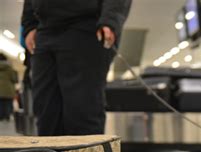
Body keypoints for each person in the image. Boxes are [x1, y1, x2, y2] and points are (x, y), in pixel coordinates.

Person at [21, 0, 132, 136]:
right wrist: (29, 25)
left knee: (82, 109)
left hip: (87, 26)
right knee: (46, 110)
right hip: (45, 29)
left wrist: (111, 20)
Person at [0, 53, 18, 122]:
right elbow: (14, 78)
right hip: (8, 89)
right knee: (8, 104)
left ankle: (1, 117)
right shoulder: (9, 68)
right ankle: (7, 117)